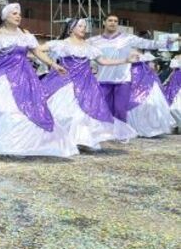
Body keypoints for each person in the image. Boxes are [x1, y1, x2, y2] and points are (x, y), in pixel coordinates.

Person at [0, 3, 77, 158]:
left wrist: (53, 64)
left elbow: (37, 52)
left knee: (23, 110)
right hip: (0, 76)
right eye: (14, 13)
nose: (18, 16)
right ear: (5, 17)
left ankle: (18, 144)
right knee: (3, 109)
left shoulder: (25, 36)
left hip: (24, 76)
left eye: (19, 14)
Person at [38, 18, 136, 151]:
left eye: (85, 26)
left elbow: (103, 61)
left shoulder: (89, 48)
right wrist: (52, 64)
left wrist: (125, 60)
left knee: (85, 113)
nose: (84, 28)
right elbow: (37, 50)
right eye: (80, 26)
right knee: (63, 112)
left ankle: (82, 140)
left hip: (86, 84)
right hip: (65, 82)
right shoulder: (61, 44)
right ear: (71, 29)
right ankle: (60, 140)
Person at [88, 14, 173, 123]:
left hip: (123, 80)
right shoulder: (93, 41)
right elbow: (89, 56)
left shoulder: (127, 38)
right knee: (104, 110)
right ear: (104, 22)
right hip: (102, 80)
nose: (113, 23)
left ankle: (121, 134)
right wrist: (92, 66)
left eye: (115, 21)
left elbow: (150, 44)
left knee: (120, 109)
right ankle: (108, 134)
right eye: (110, 20)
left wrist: (171, 41)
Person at [124, 52, 175, 137]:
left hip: (145, 81)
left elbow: (152, 67)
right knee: (142, 106)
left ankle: (147, 128)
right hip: (138, 80)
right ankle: (142, 128)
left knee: (148, 105)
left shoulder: (142, 57)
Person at [165, 55, 181, 130]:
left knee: (177, 104)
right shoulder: (176, 57)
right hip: (175, 79)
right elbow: (173, 70)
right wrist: (167, 80)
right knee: (172, 101)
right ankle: (175, 124)